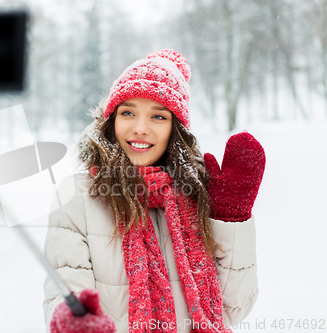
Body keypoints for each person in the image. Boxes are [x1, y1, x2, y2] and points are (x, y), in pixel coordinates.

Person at [42, 49, 266, 333]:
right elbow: (65, 285)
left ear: (175, 128)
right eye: (128, 112)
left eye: (158, 117)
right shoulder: (77, 194)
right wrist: (75, 320)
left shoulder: (195, 195)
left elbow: (233, 308)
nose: (140, 128)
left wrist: (231, 219)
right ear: (111, 120)